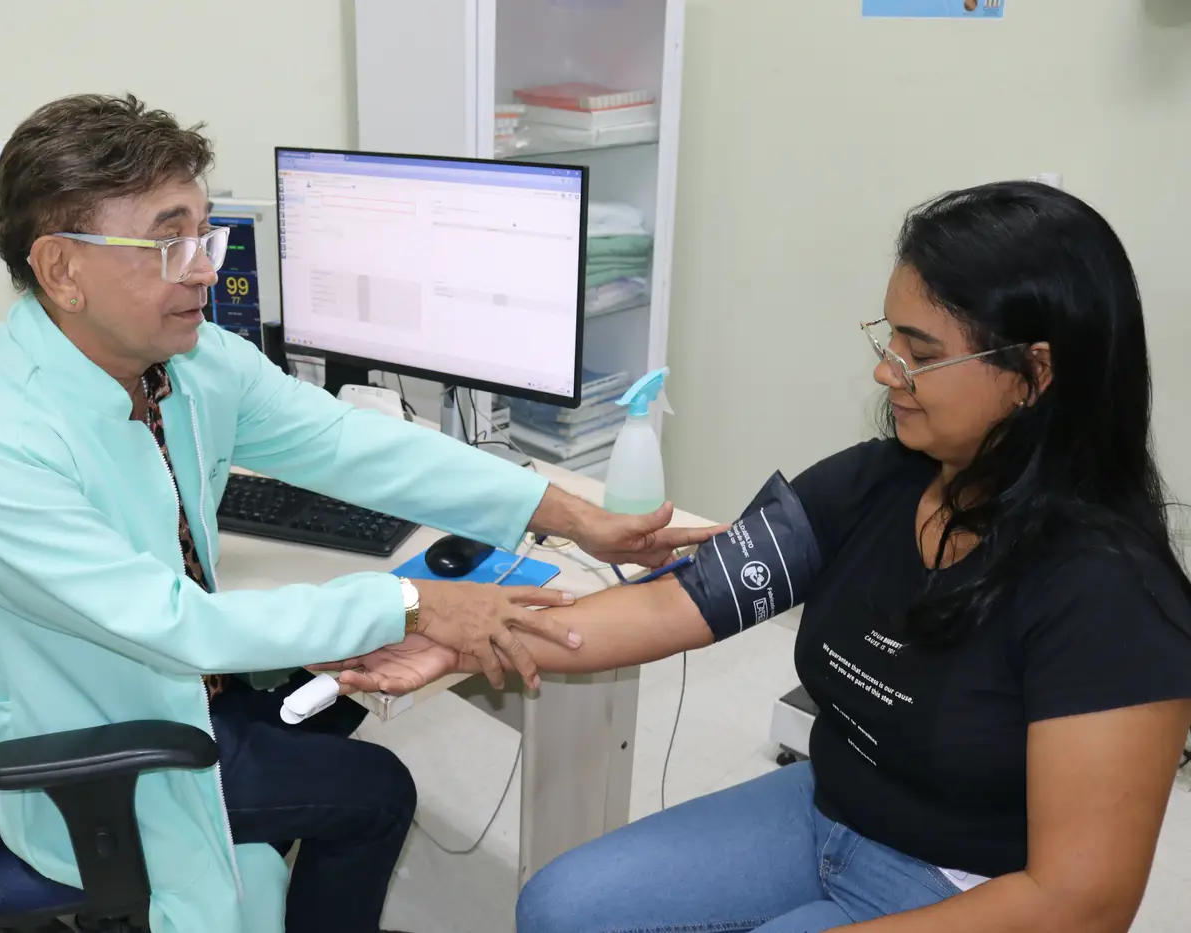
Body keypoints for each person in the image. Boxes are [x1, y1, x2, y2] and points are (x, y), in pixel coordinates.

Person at [0, 93, 718, 933]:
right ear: (61, 270)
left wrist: (570, 513)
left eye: (204, 235)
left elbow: (349, 443)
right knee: (376, 793)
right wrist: (413, 602)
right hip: (95, 744)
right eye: (168, 242)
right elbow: (176, 625)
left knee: (355, 683)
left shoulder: (186, 362)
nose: (204, 269)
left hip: (184, 680)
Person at [330, 181, 1191, 933]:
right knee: (561, 906)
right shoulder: (880, 481)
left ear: (1034, 373)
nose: (887, 372)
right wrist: (470, 637)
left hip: (965, 883)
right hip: (828, 806)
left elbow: (1081, 903)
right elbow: (675, 600)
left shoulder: (1112, 598)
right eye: (889, 340)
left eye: (922, 354)